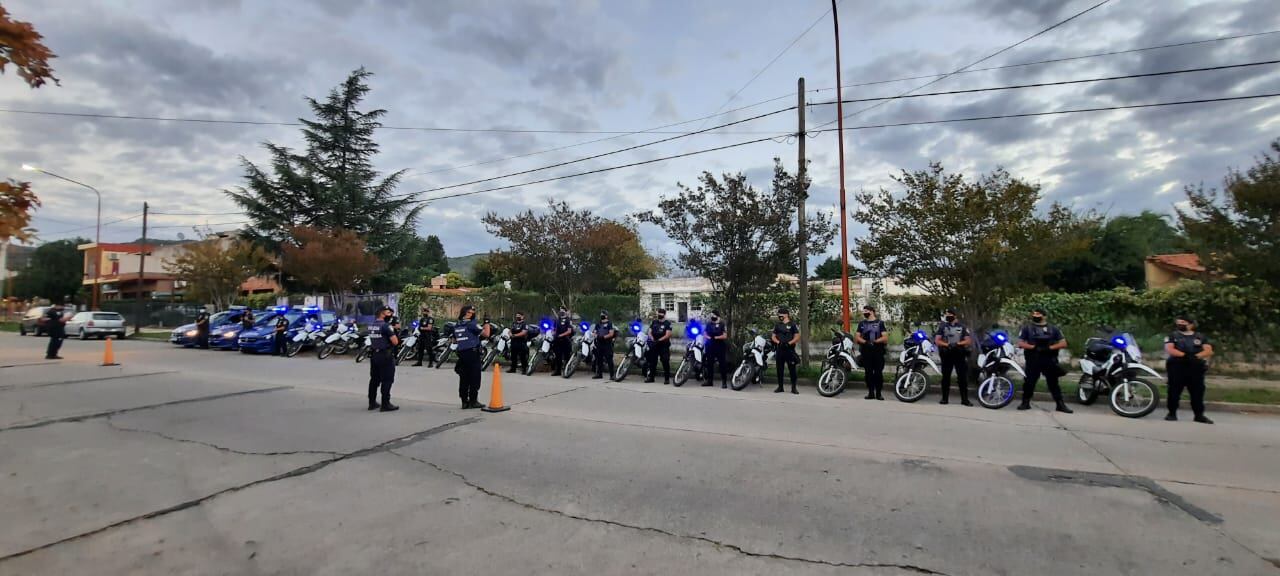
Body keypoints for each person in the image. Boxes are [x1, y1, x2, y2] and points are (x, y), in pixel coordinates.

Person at [1016, 308, 1073, 413]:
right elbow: (1020, 343)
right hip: (1033, 359)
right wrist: (1033, 347)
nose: (1035, 316)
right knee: (1029, 382)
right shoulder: (1027, 328)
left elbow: (1063, 343)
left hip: (1049, 359)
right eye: (1034, 314)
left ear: (1044, 316)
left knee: (1053, 383)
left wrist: (1049, 348)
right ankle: (1025, 402)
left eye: (1038, 314)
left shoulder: (1054, 329)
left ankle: (1060, 404)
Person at [1164, 316, 1214, 424]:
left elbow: (1208, 350)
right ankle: (1172, 413)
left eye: (1183, 322)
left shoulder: (1200, 337)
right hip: (1177, 366)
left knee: (1197, 392)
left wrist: (1196, 357)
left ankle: (1199, 415)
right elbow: (1170, 349)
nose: (1180, 324)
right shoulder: (1172, 335)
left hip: (1195, 367)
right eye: (1178, 322)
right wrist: (1185, 355)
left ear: (1191, 324)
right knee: (1174, 391)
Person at [453, 304, 491, 409]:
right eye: (470, 312)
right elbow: (487, 334)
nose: (472, 314)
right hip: (472, 354)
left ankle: (464, 401)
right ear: (465, 312)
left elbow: (454, 339)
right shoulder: (471, 324)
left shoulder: (457, 325)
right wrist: (487, 322)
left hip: (462, 354)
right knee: (474, 377)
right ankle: (473, 401)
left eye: (472, 312)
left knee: (464, 378)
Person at [934, 307, 973, 406]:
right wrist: (947, 345)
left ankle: (965, 400)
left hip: (959, 353)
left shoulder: (962, 327)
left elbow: (968, 340)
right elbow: (937, 340)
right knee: (946, 377)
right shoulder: (943, 327)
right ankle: (944, 399)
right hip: (947, 354)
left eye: (949, 315)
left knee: (962, 377)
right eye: (946, 315)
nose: (948, 317)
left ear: (955, 315)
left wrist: (958, 344)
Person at [367, 306, 399, 412]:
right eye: (388, 312)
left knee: (374, 380)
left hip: (374, 355)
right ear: (382, 313)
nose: (390, 314)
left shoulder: (372, 325)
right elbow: (395, 342)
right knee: (387, 379)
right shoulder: (386, 326)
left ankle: (372, 403)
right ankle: (385, 404)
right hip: (385, 355)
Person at [855, 305, 889, 400]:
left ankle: (878, 393)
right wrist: (866, 342)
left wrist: (874, 342)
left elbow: (885, 338)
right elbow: (857, 337)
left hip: (878, 351)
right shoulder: (862, 323)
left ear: (872, 311)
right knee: (868, 373)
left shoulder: (880, 323)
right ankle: (870, 393)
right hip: (866, 351)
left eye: (866, 311)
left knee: (878, 373)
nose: (864, 313)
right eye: (864, 311)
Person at [772, 308, 800, 394]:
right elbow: (773, 336)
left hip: (790, 350)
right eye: (779, 315)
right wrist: (778, 342)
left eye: (781, 314)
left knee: (792, 369)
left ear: (786, 315)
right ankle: (780, 387)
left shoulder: (793, 325)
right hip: (780, 349)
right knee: (779, 369)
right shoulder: (777, 325)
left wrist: (790, 343)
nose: (779, 316)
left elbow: (797, 336)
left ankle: (794, 387)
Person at [645, 308, 673, 384]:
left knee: (665, 361)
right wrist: (652, 338)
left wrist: (659, 340)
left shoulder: (667, 323)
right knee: (652, 362)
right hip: (654, 344)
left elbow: (668, 335)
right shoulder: (654, 322)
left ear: (664, 314)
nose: (659, 315)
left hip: (663, 345)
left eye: (661, 313)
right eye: (658, 313)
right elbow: (649, 331)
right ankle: (651, 377)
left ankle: (667, 379)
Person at [703, 310, 730, 388]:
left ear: (717, 316)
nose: (711, 317)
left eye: (713, 315)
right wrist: (708, 337)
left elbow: (725, 336)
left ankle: (724, 382)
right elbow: (705, 333)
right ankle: (709, 381)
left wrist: (716, 337)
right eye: (711, 315)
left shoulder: (722, 324)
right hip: (710, 346)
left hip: (720, 346)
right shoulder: (709, 323)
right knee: (709, 364)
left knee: (722, 364)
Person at [593, 310, 617, 380]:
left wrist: (603, 337)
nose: (601, 315)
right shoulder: (598, 324)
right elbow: (594, 332)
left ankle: (612, 375)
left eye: (603, 314)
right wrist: (596, 336)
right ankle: (599, 374)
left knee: (609, 359)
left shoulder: (610, 323)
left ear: (606, 315)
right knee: (599, 359)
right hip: (599, 343)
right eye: (601, 314)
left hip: (607, 344)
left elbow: (611, 333)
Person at [552, 306, 573, 375]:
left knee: (567, 356)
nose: (561, 311)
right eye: (560, 310)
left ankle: (567, 371)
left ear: (565, 312)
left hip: (565, 340)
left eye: (563, 310)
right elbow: (554, 329)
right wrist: (553, 333)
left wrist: (561, 335)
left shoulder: (568, 320)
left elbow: (569, 331)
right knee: (558, 356)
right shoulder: (557, 320)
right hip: (557, 340)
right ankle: (557, 371)